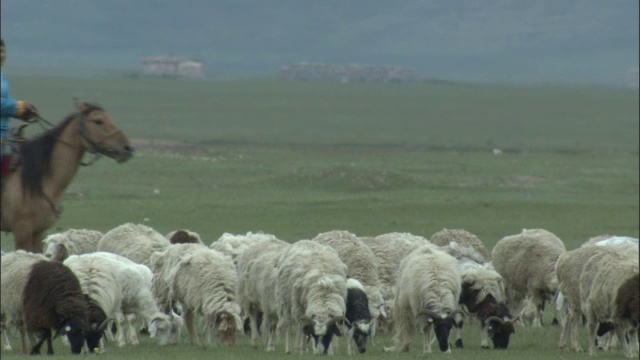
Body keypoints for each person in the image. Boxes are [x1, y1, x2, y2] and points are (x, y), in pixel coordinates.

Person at [1, 38, 39, 179]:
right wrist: (20, 107)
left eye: (3, 51)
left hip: (4, 136)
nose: (2, 55)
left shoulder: (2, 76)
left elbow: (5, 101)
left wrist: (24, 112)